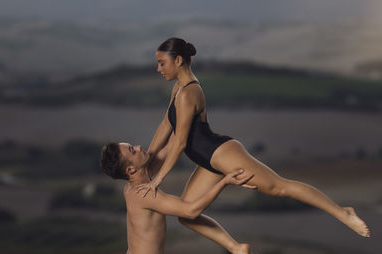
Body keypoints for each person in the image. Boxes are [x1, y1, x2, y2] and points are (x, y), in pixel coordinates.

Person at [136, 37, 371, 241]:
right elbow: (167, 124)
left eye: (161, 63)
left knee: (280, 187)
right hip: (208, 162)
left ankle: (343, 213)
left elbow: (179, 143)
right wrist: (148, 160)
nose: (158, 69)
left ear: (178, 60)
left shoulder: (188, 92)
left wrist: (158, 180)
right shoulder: (177, 88)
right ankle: (238, 249)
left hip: (222, 153)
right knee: (187, 215)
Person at [100, 141, 264, 254]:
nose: (138, 146)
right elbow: (191, 211)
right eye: (133, 150)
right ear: (130, 170)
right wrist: (224, 182)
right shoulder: (143, 194)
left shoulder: (136, 182)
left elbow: (175, 142)